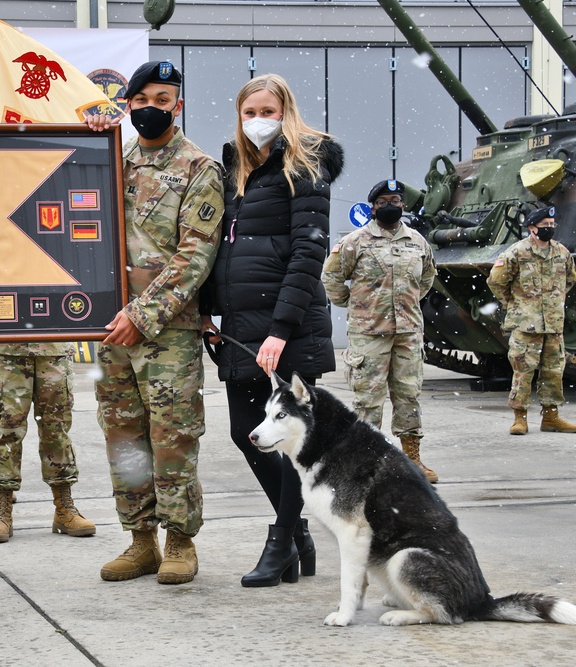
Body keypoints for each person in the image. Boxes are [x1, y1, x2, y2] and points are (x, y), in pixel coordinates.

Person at [200, 73, 342, 587]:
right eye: (249, 112)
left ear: (286, 111)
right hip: (240, 325)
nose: (258, 120)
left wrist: (281, 329)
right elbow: (216, 246)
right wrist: (207, 310)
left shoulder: (305, 166)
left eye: (268, 110)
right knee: (246, 433)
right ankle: (298, 532)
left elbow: (309, 251)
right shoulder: (233, 170)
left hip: (288, 328)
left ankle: (281, 541)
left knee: (291, 438)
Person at [86, 61, 224, 585]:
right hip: (110, 329)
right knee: (124, 438)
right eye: (140, 99)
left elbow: (194, 257)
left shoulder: (198, 169)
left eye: (162, 100)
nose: (151, 109)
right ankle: (140, 540)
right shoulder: (110, 162)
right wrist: (86, 142)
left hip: (167, 333)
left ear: (177, 106)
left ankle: (180, 543)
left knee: (173, 437)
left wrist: (141, 316)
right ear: (128, 104)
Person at [322, 179, 439, 483]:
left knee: (408, 396)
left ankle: (412, 458)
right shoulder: (354, 242)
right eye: (384, 201)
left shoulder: (416, 241)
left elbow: (426, 278)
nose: (391, 205)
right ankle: (365, 463)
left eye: (396, 200)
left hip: (408, 333)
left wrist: (406, 302)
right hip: (369, 333)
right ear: (373, 207)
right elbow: (331, 277)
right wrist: (354, 304)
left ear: (403, 205)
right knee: (368, 401)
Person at [0, 342, 95, 543]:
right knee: (7, 428)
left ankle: (64, 506)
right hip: (6, 347)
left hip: (52, 344)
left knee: (56, 428)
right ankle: (2, 507)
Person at [486, 206, 576, 435]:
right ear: (531, 228)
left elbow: (570, 280)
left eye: (551, 225)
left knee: (553, 370)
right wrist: (517, 304)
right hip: (525, 323)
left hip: (553, 324)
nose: (549, 229)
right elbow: (496, 282)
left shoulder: (561, 252)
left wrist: (553, 302)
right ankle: (520, 418)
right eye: (544, 226)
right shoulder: (516, 252)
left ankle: (551, 417)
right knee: (523, 371)